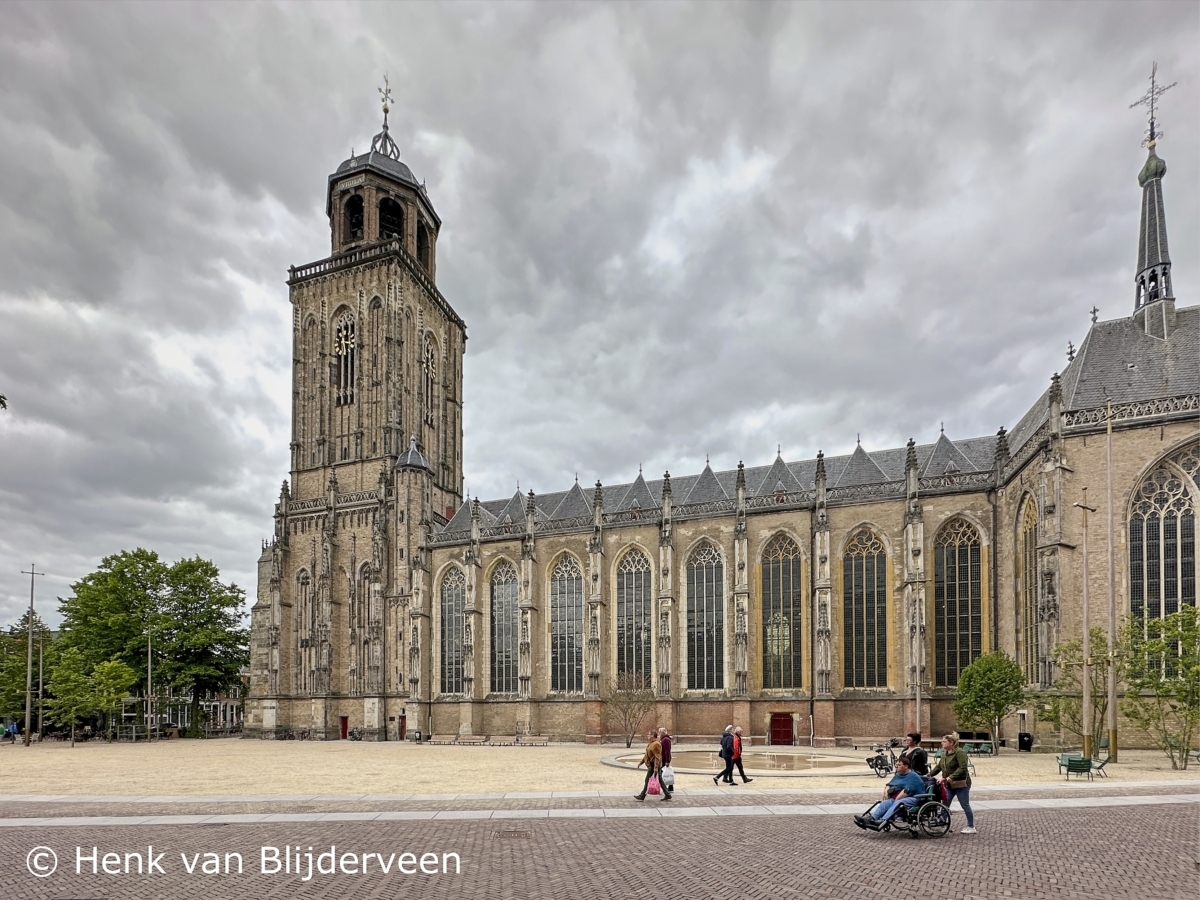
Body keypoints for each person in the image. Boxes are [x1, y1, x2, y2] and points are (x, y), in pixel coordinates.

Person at [855, 756, 925, 829]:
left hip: (915, 798)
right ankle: (872, 818)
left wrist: (896, 800)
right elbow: (890, 784)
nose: (896, 767)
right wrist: (886, 791)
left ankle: (883, 820)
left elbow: (907, 790)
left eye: (899, 765)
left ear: (906, 766)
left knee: (898, 802)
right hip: (902, 797)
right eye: (896, 765)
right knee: (886, 802)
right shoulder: (898, 775)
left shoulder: (913, 777)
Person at [930, 732, 976, 834]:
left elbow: (963, 768)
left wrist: (950, 777)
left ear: (951, 743)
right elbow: (939, 767)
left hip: (961, 784)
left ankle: (971, 826)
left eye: (944, 741)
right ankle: (942, 824)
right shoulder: (944, 754)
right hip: (949, 784)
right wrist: (928, 775)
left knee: (965, 804)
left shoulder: (959, 752)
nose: (942, 743)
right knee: (945, 804)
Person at [634, 728, 670, 801]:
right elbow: (647, 755)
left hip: (654, 765)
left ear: (653, 735)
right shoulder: (651, 743)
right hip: (652, 765)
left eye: (649, 734)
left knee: (647, 780)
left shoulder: (656, 744)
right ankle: (667, 794)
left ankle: (642, 795)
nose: (648, 735)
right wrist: (641, 762)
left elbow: (657, 757)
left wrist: (656, 768)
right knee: (660, 780)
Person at [658, 726, 674, 798]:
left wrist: (667, 761)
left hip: (664, 759)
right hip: (664, 759)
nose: (659, 734)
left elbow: (667, 751)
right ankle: (670, 786)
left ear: (663, 733)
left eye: (660, 732)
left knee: (662, 773)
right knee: (665, 773)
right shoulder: (664, 739)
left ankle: (666, 788)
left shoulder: (665, 740)